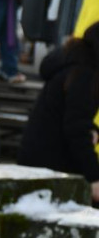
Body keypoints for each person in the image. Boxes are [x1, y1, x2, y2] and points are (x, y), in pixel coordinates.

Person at [18, 21, 99, 204]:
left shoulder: (74, 65)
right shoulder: (84, 75)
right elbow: (76, 129)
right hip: (49, 173)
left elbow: (72, 118)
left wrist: (93, 131)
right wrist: (95, 178)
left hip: (38, 164)